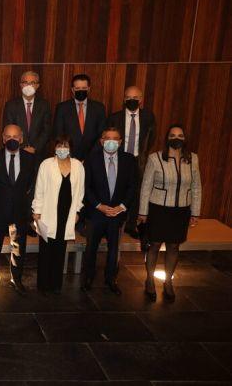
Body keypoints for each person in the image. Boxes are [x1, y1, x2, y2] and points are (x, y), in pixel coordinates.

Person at [138, 124, 201, 302]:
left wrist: (195, 211)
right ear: (167, 138)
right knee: (155, 245)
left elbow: (196, 186)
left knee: (174, 246)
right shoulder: (155, 158)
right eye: (173, 135)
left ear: (185, 138)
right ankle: (149, 280)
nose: (177, 138)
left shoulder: (193, 159)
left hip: (181, 210)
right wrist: (143, 212)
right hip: (158, 209)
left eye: (180, 135)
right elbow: (146, 187)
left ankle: (168, 282)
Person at [0, 125, 36, 299]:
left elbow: (32, 185)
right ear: (3, 138)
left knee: (19, 247)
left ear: (21, 138)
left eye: (15, 136)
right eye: (8, 136)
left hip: (20, 211)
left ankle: (16, 279)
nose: (12, 139)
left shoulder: (30, 159)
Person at [81, 128, 137, 295]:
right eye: (107, 138)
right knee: (91, 248)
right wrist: (99, 205)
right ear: (101, 140)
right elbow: (86, 187)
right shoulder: (91, 160)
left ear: (120, 142)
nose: (111, 141)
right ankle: (88, 278)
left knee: (114, 249)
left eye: (115, 139)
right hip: (96, 213)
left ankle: (111, 279)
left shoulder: (129, 160)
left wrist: (121, 207)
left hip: (117, 213)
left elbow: (132, 187)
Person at [32, 136, 85, 294]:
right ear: (54, 148)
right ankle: (43, 285)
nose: (62, 148)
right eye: (59, 145)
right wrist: (37, 211)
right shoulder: (46, 164)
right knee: (46, 249)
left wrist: (77, 211)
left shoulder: (78, 166)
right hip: (48, 213)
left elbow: (80, 191)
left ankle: (56, 284)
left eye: (66, 145)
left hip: (67, 213)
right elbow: (39, 190)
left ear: (70, 147)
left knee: (60, 249)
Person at [107, 86, 156, 242]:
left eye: (135, 97)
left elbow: (151, 138)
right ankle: (115, 223)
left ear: (141, 99)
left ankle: (131, 224)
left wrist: (142, 155)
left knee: (136, 192)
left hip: (138, 159)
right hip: (119, 157)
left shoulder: (148, 117)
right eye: (128, 97)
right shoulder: (115, 117)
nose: (132, 100)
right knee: (117, 189)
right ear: (124, 99)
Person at [3, 71, 52, 166]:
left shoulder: (44, 105)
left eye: (32, 83)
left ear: (37, 85)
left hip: (38, 155)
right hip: (16, 152)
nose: (28, 86)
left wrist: (34, 148)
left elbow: (47, 130)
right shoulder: (11, 105)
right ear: (21, 85)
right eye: (25, 82)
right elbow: (8, 129)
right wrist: (21, 148)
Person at [53, 74, 106, 161]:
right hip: (68, 157)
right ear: (72, 90)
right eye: (77, 88)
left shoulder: (99, 108)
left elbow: (102, 134)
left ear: (89, 89)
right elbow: (59, 134)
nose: (81, 91)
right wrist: (69, 155)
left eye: (84, 88)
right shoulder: (62, 108)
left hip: (92, 157)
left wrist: (90, 156)